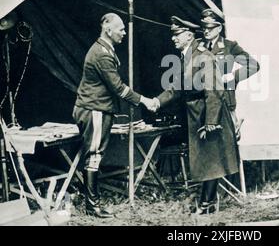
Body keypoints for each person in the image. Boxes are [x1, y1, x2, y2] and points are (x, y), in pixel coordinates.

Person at [146, 16, 239, 214]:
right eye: (173, 34)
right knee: (206, 159)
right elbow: (176, 87)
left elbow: (214, 90)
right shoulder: (188, 56)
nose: (173, 38)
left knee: (210, 158)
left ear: (189, 35)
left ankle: (207, 204)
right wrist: (157, 101)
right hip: (197, 113)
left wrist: (212, 122)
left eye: (177, 34)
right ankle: (207, 202)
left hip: (208, 113)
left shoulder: (202, 56)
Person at [73, 13, 152, 218]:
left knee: (94, 154)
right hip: (94, 109)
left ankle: (92, 203)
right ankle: (92, 206)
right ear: (108, 30)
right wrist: (145, 101)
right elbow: (118, 88)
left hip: (97, 108)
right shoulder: (101, 54)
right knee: (94, 155)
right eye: (121, 29)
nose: (124, 33)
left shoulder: (105, 49)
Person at [199, 8, 260, 140]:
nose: (206, 31)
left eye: (210, 27)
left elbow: (253, 65)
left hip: (225, 103)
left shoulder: (229, 47)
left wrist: (233, 76)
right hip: (203, 105)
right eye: (204, 27)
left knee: (230, 145)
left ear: (219, 28)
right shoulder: (199, 47)